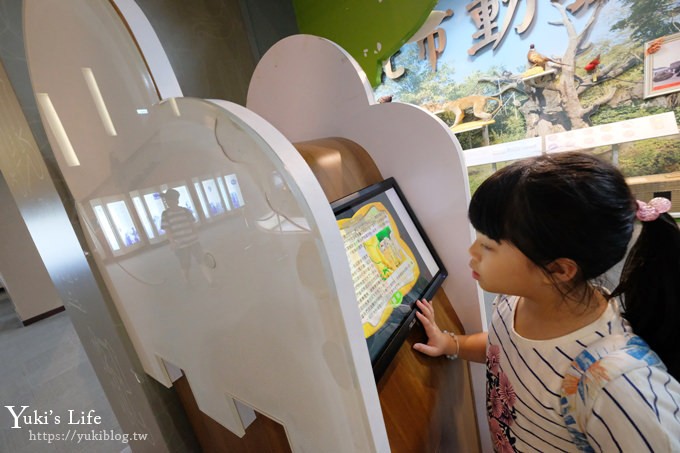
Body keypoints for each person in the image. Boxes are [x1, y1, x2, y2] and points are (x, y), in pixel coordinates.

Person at [413, 152, 680, 452]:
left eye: (488, 245)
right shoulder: (515, 301)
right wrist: (453, 345)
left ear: (558, 269)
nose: (472, 251)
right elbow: (504, 349)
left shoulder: (614, 383)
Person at [160, 189, 207, 283]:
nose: (167, 202)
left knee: (202, 261)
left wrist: (196, 235)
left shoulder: (185, 211)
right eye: (166, 200)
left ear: (175, 200)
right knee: (185, 264)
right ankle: (186, 280)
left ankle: (211, 281)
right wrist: (172, 242)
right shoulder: (165, 214)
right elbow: (167, 230)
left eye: (169, 199)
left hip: (193, 241)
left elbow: (192, 224)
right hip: (180, 245)